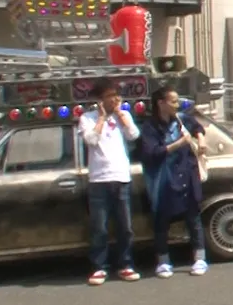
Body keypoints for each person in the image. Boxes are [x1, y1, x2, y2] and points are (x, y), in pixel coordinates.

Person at [137, 85, 210, 278]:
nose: (177, 104)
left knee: (193, 219)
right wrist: (179, 143)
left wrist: (200, 139)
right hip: (163, 179)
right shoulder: (149, 127)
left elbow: (197, 127)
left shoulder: (182, 119)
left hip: (186, 174)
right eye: (173, 101)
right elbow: (152, 153)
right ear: (161, 103)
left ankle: (200, 258)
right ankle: (163, 261)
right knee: (161, 222)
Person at [78, 78, 141, 286]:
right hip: (99, 179)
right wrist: (102, 119)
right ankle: (99, 267)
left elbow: (133, 135)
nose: (114, 99)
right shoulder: (87, 118)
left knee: (125, 226)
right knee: (100, 227)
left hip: (121, 176)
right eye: (109, 96)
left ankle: (125, 264)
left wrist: (122, 117)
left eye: (116, 95)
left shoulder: (124, 115)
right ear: (100, 99)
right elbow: (91, 141)